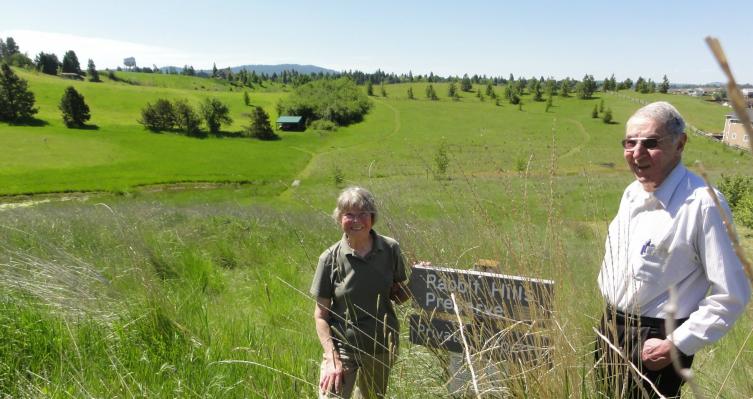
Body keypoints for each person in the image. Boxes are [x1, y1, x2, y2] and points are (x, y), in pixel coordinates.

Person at [596, 101, 751, 398]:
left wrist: (676, 344)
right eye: (630, 143)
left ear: (680, 144)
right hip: (610, 328)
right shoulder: (632, 193)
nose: (637, 153)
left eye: (651, 143)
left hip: (655, 341)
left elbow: (732, 294)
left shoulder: (703, 204)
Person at [311, 186, 410, 398]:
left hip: (381, 347)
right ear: (339, 219)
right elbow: (320, 315)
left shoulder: (390, 248)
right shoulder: (329, 258)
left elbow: (398, 296)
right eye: (349, 215)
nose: (356, 221)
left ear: (372, 217)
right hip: (343, 348)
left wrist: (419, 279)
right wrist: (331, 358)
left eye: (363, 214)